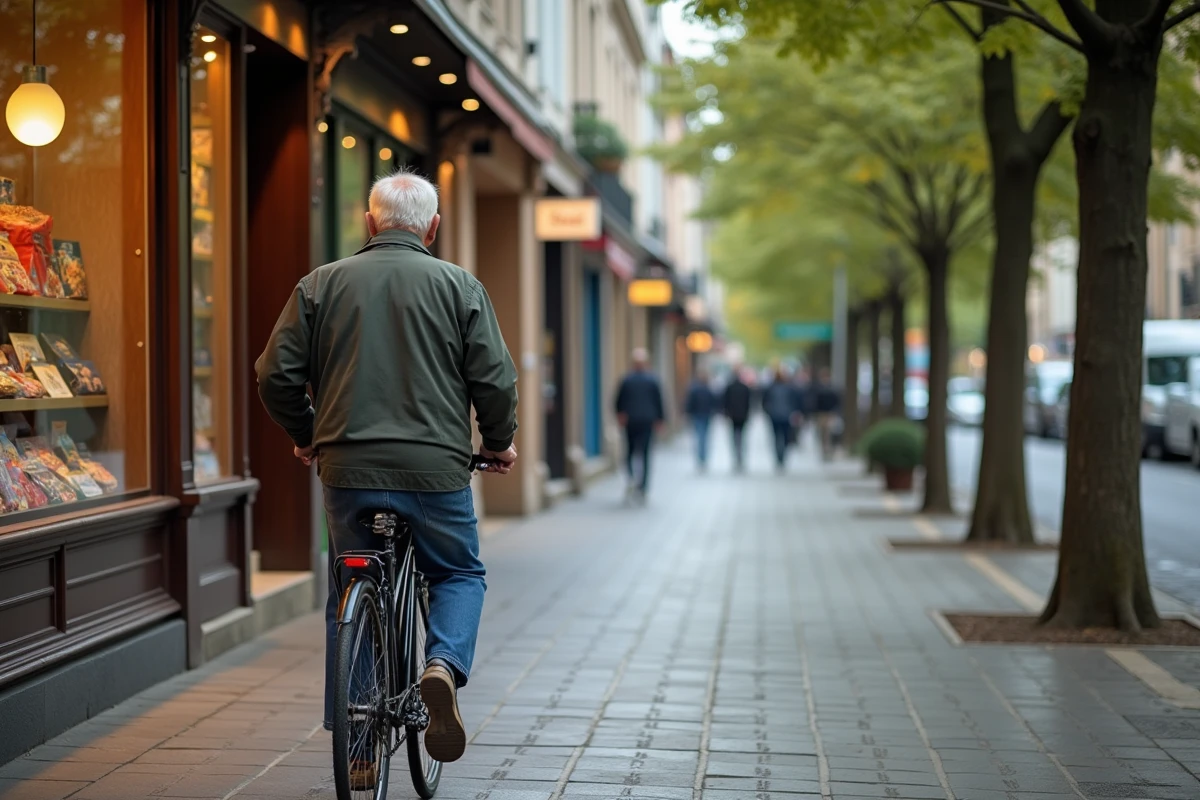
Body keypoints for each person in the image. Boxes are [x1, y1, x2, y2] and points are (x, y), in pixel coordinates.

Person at [255, 170, 518, 778]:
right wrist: (498, 442)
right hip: (435, 471)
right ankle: (442, 667)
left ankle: (359, 751)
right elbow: (495, 379)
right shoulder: (460, 287)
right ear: (432, 227)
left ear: (370, 224)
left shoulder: (320, 284)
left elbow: (275, 375)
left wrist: (306, 434)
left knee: (350, 589)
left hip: (346, 467)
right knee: (458, 571)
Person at [615, 348, 664, 500]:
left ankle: (631, 478)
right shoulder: (652, 380)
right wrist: (660, 419)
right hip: (646, 421)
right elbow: (659, 402)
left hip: (632, 421)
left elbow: (618, 402)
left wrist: (621, 415)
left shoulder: (627, 380)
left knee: (630, 452)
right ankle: (642, 486)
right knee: (645, 454)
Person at [762, 366, 800, 472]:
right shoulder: (789, 388)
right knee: (785, 436)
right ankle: (782, 456)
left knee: (776, 437)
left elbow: (765, 402)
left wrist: (768, 411)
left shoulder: (771, 388)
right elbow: (795, 401)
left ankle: (779, 456)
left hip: (775, 416)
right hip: (785, 416)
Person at [684, 367, 720, 471]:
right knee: (702, 437)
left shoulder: (701, 389)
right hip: (701, 415)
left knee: (701, 437)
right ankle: (702, 457)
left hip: (703, 415)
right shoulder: (704, 389)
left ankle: (702, 457)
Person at [722, 366, 753, 472]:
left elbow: (725, 402)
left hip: (733, 415)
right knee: (742, 437)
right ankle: (740, 455)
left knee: (734, 436)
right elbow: (748, 403)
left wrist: (726, 413)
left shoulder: (729, 387)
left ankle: (737, 454)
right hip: (743, 415)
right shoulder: (745, 388)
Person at [810, 366, 843, 461]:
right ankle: (824, 450)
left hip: (830, 414)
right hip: (821, 414)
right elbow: (814, 402)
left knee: (830, 433)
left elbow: (837, 401)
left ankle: (829, 450)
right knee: (822, 433)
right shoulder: (818, 388)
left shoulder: (833, 388)